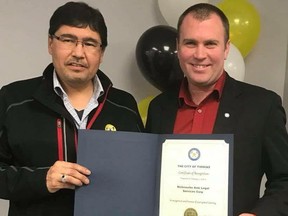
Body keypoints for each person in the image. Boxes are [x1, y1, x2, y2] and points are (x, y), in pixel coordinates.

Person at [0, 2, 144, 216]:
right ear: (50, 43)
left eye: (90, 43)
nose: (78, 52)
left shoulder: (124, 106)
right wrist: (43, 178)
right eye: (68, 40)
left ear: (101, 52)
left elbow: (140, 175)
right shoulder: (12, 99)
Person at [145, 3, 288, 216]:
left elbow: (284, 180)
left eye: (210, 43)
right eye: (190, 43)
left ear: (226, 48)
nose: (200, 54)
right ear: (178, 46)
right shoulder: (159, 108)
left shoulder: (262, 106)